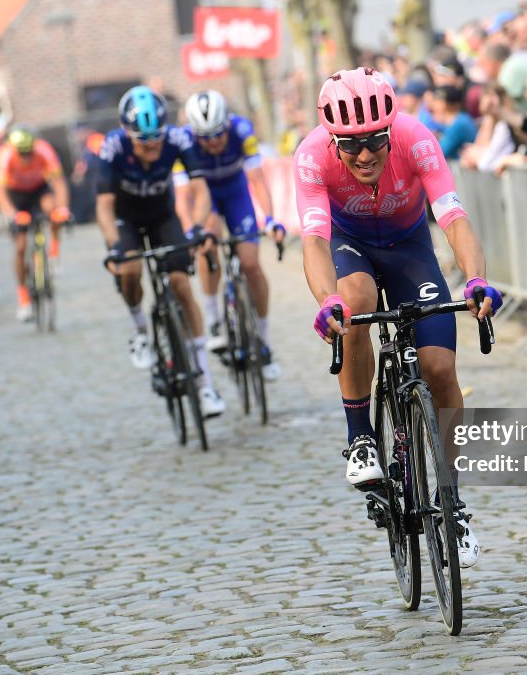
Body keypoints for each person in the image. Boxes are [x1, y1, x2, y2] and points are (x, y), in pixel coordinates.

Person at [294, 67, 504, 569]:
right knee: (357, 298)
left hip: (410, 247)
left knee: (438, 369)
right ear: (332, 141)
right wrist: (327, 301)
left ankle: (452, 501)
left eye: (375, 141)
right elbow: (314, 241)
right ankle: (360, 436)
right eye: (351, 145)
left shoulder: (416, 139)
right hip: (351, 248)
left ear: (390, 131)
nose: (365, 154)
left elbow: (453, 218)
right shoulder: (310, 157)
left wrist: (475, 280)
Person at [97, 86, 226, 418]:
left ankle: (204, 382)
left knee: (181, 285)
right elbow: (104, 205)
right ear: (128, 133)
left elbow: (200, 189)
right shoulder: (113, 147)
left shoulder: (177, 140)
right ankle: (140, 329)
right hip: (126, 219)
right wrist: (114, 245)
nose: (152, 144)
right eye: (143, 139)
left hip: (161, 216)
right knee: (129, 272)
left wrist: (197, 226)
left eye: (156, 137)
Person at [175, 89, 285, 381]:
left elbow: (257, 181)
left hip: (236, 193)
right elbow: (183, 197)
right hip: (205, 195)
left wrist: (271, 218)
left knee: (250, 263)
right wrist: (189, 230)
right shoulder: (183, 141)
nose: (213, 142)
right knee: (207, 242)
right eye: (206, 138)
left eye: (218, 135)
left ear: (227, 124)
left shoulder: (242, 130)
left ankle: (264, 340)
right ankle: (213, 319)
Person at [0, 126, 71, 322]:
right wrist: (12, 214)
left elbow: (59, 183)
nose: (26, 157)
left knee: (52, 209)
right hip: (16, 195)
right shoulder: (6, 156)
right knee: (20, 246)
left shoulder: (44, 150)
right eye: (22, 153)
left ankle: (54, 252)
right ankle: (24, 299)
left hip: (38, 190)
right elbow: (0, 192)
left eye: (29, 152)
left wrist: (62, 209)